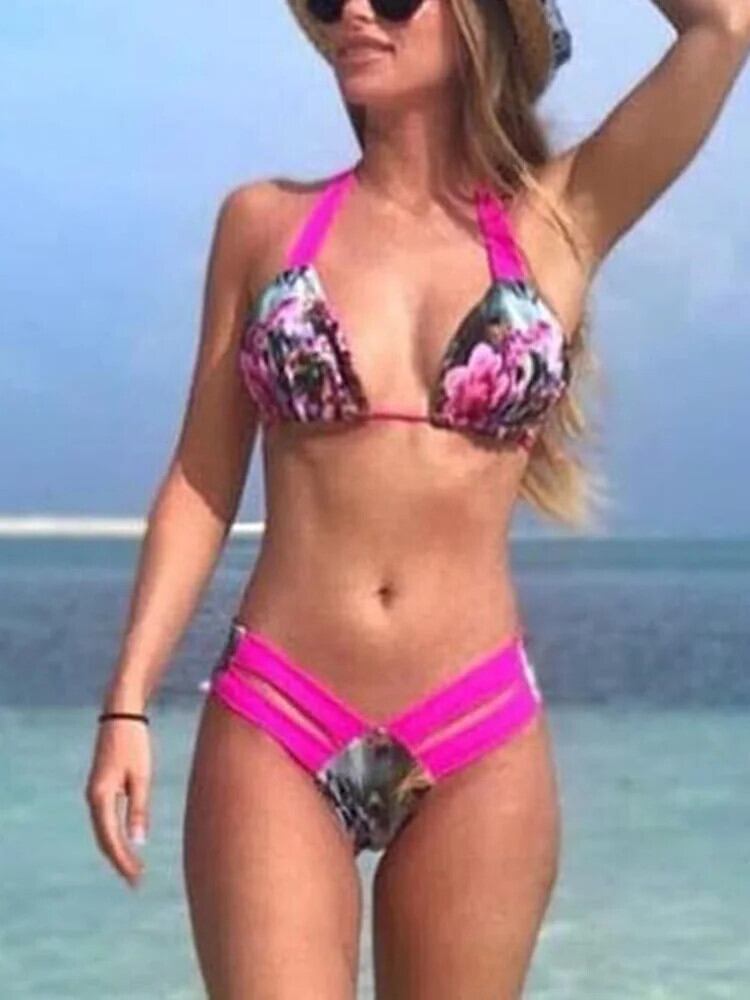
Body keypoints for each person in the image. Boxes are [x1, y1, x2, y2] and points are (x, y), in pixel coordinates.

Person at [84, 1, 750, 996]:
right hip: (278, 713)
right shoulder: (262, 224)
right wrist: (127, 701)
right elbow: (199, 478)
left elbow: (723, 30)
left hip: (476, 729)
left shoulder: (562, 219)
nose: (355, 10)